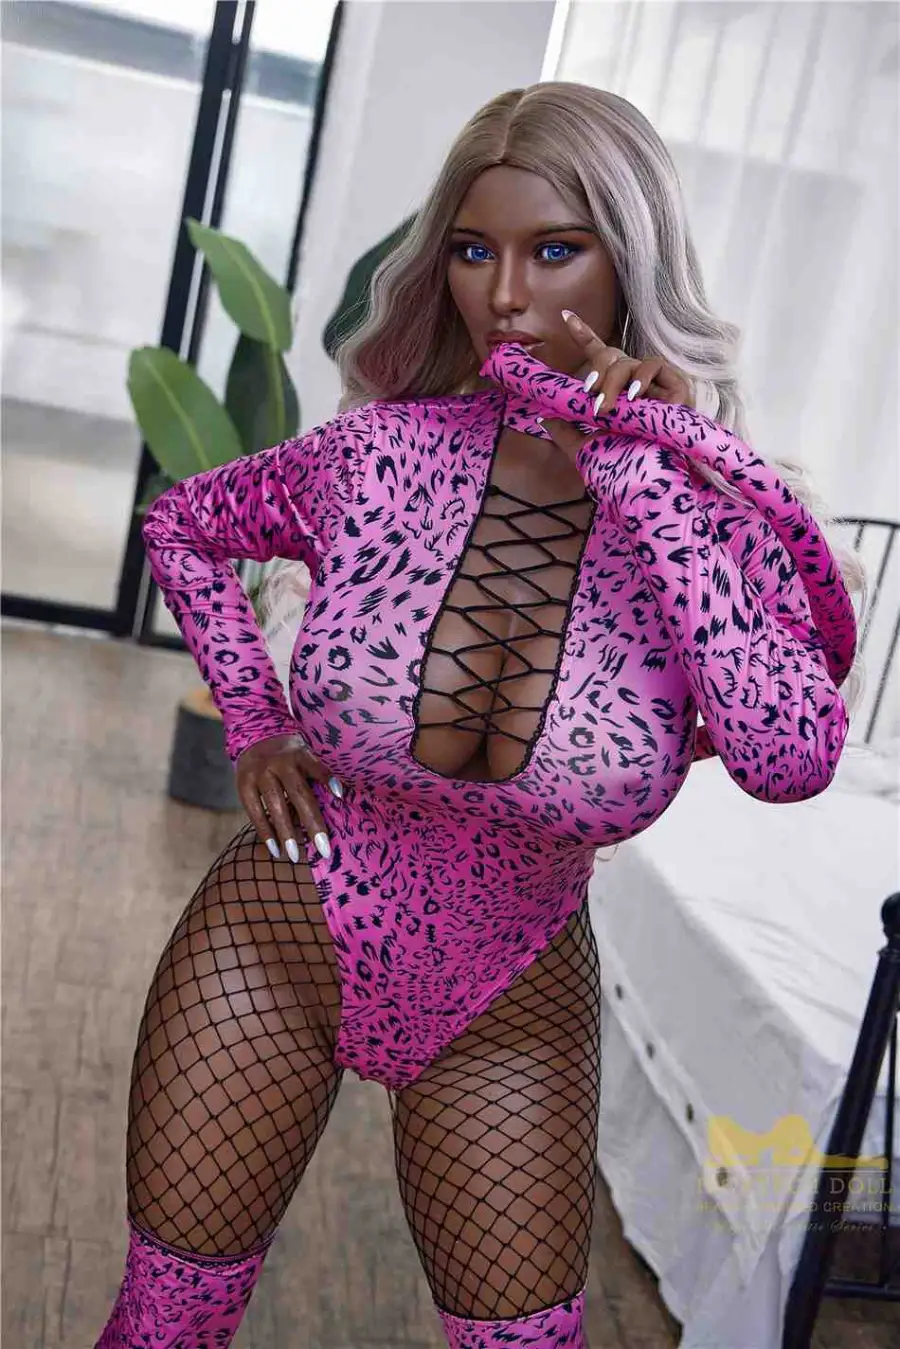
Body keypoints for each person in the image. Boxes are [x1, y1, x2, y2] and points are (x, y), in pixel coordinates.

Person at [96, 82, 860, 1348]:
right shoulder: (381, 455)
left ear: (631, 260)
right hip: (278, 936)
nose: (505, 294)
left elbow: (789, 757)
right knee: (169, 1319)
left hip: (509, 995)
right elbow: (184, 523)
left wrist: (645, 470)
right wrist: (255, 720)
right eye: (471, 249)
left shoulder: (714, 510)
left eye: (554, 250)